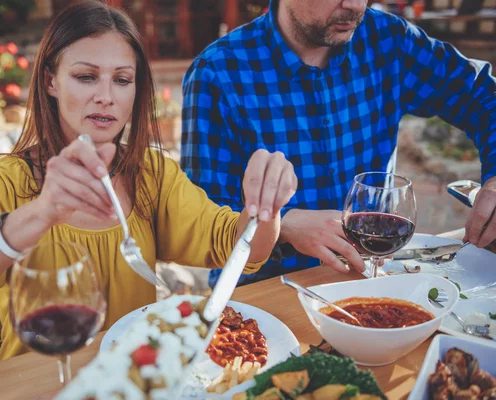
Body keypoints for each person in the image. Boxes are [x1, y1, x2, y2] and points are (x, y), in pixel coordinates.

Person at [0, 0, 297, 361]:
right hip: (40, 383)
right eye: (86, 77)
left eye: (122, 80)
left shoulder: (151, 173)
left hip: (134, 379)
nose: (106, 97)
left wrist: (264, 207)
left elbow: (238, 248)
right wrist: (41, 212)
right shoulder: (8, 180)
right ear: (50, 82)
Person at [181, 0, 496, 286]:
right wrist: (285, 224)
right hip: (267, 293)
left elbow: (484, 95)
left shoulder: (388, 40)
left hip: (372, 276)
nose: (355, 6)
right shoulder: (218, 73)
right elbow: (203, 218)